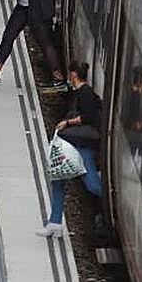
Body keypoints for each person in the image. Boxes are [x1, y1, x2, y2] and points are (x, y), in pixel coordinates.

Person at [38, 62, 102, 238]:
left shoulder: (86, 93)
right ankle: (54, 222)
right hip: (75, 143)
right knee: (57, 177)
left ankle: (112, 203)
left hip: (82, 145)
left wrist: (67, 123)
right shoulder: (80, 92)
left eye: (70, 74)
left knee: (92, 185)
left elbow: (89, 116)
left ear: (74, 74)